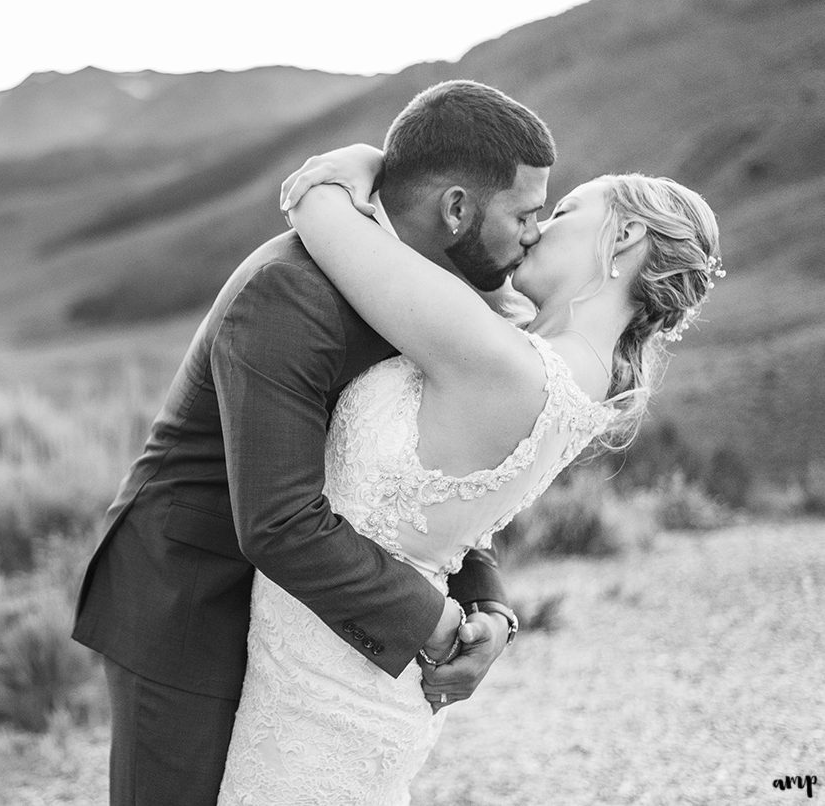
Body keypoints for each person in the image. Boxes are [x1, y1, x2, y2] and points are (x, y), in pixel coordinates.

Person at [73, 80, 559, 805]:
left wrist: (488, 606)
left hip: (300, 608)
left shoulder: (431, 294)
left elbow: (420, 472)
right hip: (191, 594)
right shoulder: (290, 291)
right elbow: (277, 517)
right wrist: (433, 623)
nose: (536, 233)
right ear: (456, 208)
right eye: (525, 213)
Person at [215, 137, 721, 803]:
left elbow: (317, 208)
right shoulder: (583, 387)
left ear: (623, 234)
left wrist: (371, 161)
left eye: (565, 210)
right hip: (359, 678)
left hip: (327, 678)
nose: (539, 226)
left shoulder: (503, 361)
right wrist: (496, 609)